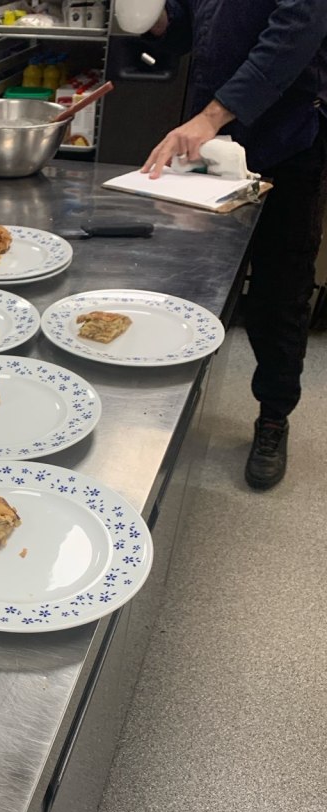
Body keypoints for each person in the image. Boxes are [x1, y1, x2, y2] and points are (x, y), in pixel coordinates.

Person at [139, 1, 327, 490]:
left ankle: (273, 417)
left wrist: (211, 116)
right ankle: (164, 410)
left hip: (286, 141)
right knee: (191, 284)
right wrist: (150, 17)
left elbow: (294, 32)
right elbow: (184, 28)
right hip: (210, 148)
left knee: (278, 296)